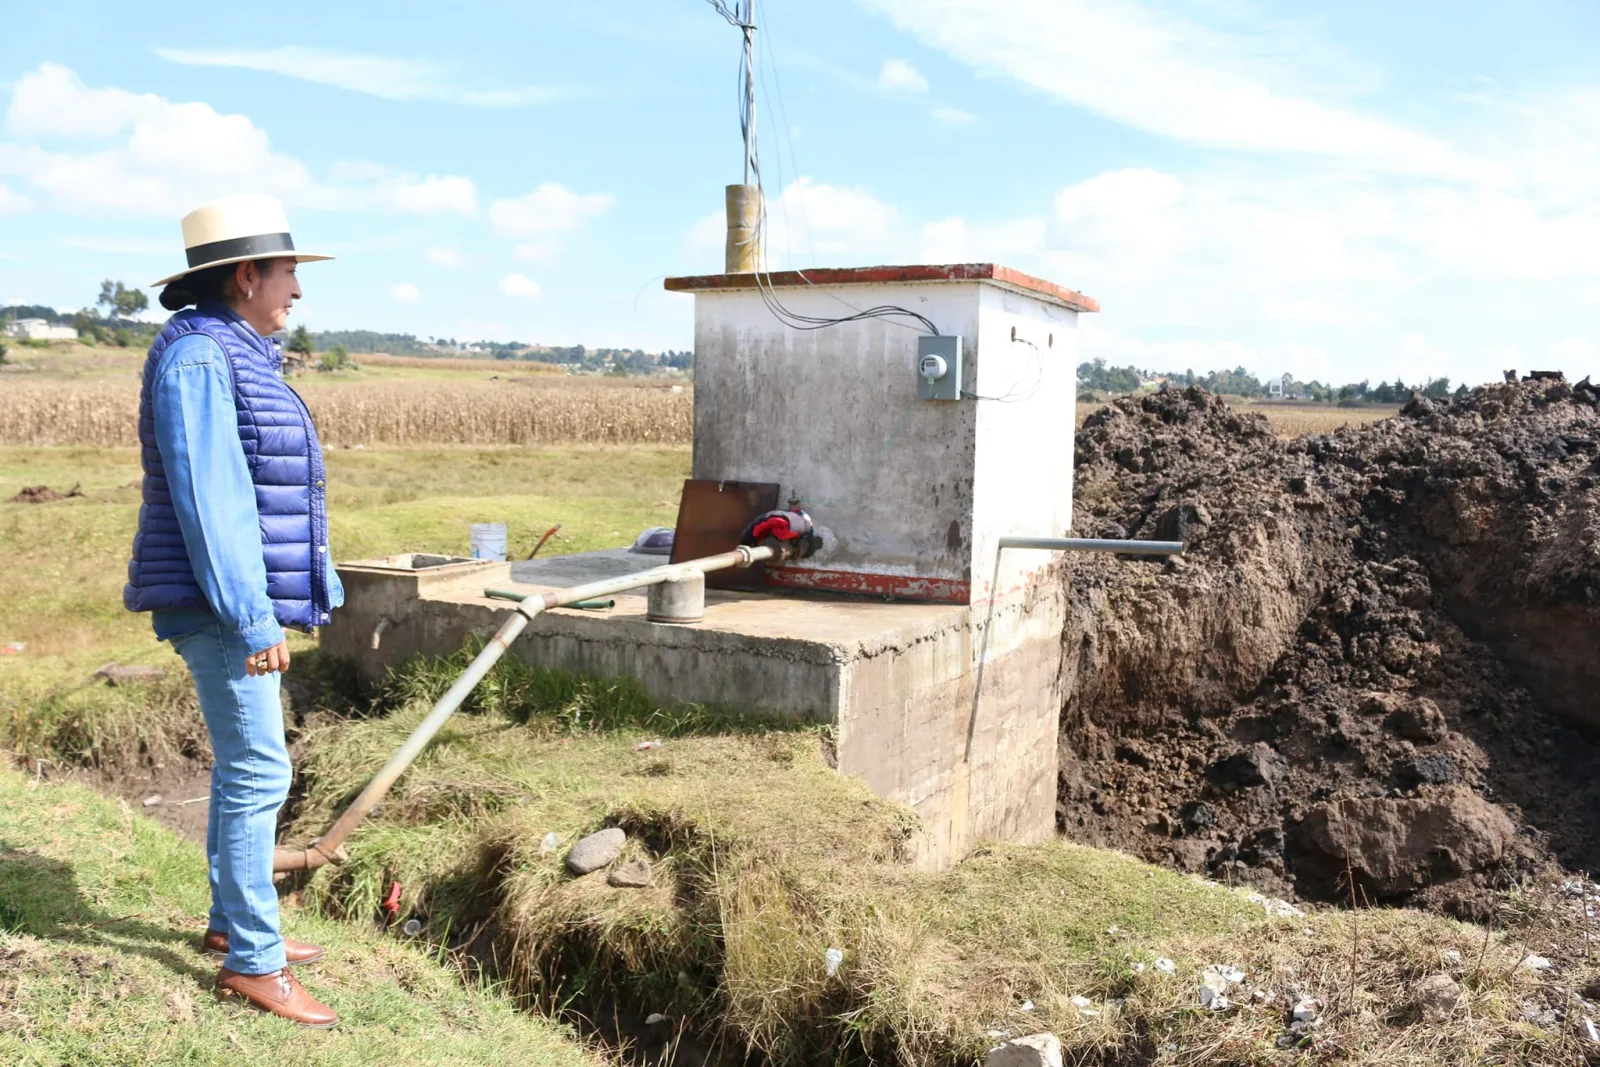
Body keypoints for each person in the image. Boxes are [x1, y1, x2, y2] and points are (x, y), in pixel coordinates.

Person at [124, 194, 343, 1028]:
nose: (296, 289)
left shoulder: (235, 350)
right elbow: (212, 502)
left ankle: (230, 925)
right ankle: (254, 958)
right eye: (288, 271)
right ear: (246, 276)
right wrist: (255, 619)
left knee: (246, 765)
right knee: (260, 769)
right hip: (219, 607)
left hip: (228, 603)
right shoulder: (200, 360)